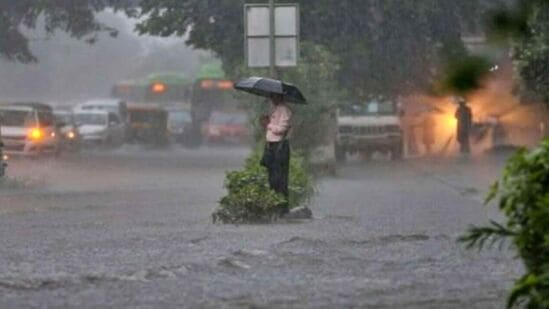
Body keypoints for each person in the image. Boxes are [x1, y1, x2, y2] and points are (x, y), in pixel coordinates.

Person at [260, 94, 292, 214]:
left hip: (279, 146)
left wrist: (268, 124)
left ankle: (282, 207)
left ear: (280, 97)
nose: (272, 99)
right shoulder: (275, 109)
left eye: (274, 97)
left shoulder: (284, 110)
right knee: (272, 177)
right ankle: (274, 204)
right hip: (271, 145)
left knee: (279, 178)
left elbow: (282, 129)